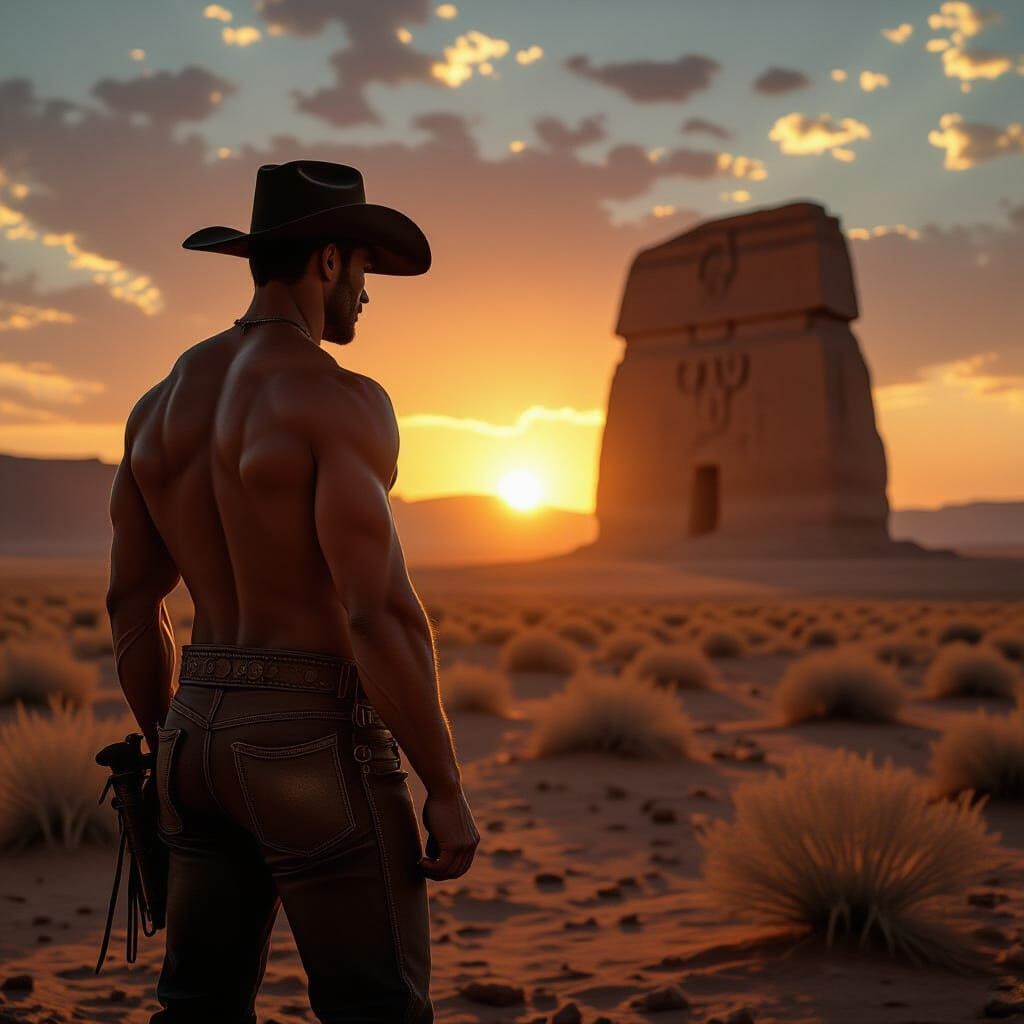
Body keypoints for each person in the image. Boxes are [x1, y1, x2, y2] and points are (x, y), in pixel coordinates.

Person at [104, 159, 479, 1023]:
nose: (366, 295)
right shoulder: (337, 398)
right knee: (376, 1009)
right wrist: (445, 786)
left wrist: (168, 747)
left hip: (193, 735)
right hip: (310, 739)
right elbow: (377, 612)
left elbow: (131, 603)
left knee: (196, 1008)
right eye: (364, 271)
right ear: (328, 261)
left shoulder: (158, 406)